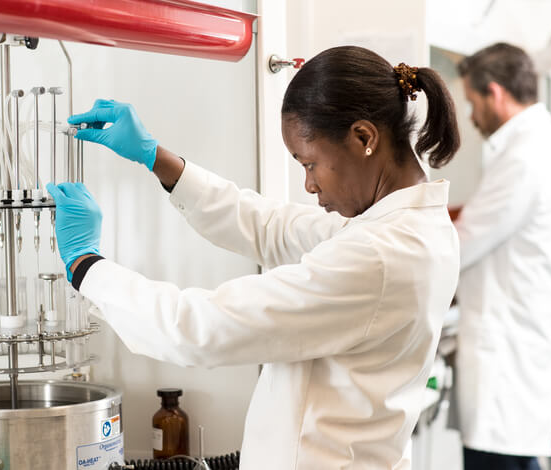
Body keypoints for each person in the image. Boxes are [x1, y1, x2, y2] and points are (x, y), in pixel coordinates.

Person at [47, 46, 461, 469]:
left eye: (310, 163)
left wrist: (86, 266)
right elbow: (269, 226)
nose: (309, 185)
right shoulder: (405, 228)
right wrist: (158, 159)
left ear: (363, 137)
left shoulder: (380, 256)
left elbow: (200, 329)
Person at [453, 42, 551, 470]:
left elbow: (459, 245)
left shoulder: (526, 158)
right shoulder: (539, 148)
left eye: (472, 101)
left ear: (496, 93)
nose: (471, 115)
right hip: (516, 360)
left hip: (507, 370)